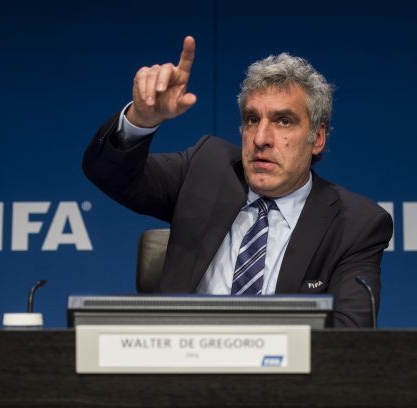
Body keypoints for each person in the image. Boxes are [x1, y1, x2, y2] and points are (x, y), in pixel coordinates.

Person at [82, 36, 393, 327]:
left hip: (284, 378)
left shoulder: (354, 224)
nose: (260, 138)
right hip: (178, 369)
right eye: (251, 119)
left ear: (318, 138)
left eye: (283, 121)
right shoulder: (206, 169)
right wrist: (141, 120)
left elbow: (351, 334)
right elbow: (110, 173)